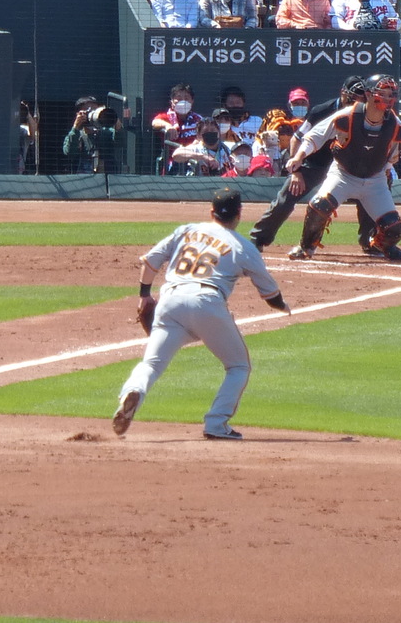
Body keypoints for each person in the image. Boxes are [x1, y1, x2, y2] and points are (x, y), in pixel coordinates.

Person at [111, 188, 293, 441]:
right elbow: (271, 295)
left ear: (211, 212)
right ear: (239, 215)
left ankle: (133, 390)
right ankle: (216, 424)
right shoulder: (244, 247)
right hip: (206, 302)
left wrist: (144, 295)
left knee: (151, 363)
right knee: (238, 366)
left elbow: (151, 261)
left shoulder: (187, 230)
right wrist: (283, 306)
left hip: (170, 301)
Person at [282, 72, 401, 261]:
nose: (387, 98)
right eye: (382, 93)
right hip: (343, 174)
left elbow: (391, 158)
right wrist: (299, 156)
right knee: (320, 206)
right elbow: (314, 137)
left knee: (395, 229)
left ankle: (382, 245)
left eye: (390, 94)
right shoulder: (348, 115)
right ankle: (306, 247)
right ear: (368, 94)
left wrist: (384, 172)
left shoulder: (394, 124)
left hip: (374, 179)